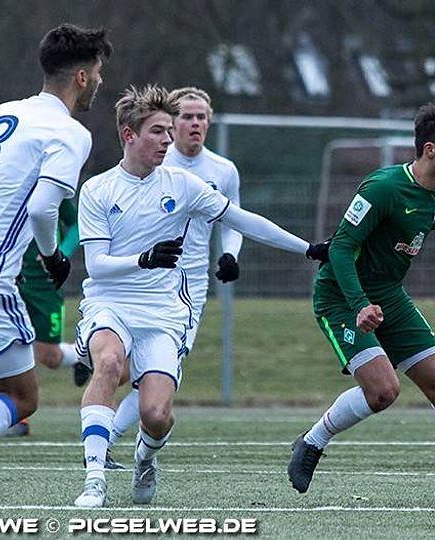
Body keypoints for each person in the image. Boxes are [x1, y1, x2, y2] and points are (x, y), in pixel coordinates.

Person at [72, 85, 327, 508]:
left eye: (168, 131)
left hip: (163, 311)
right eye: (158, 131)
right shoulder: (98, 189)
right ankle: (94, 479)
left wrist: (308, 248)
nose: (167, 139)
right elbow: (97, 265)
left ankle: (144, 458)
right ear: (129, 135)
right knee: (110, 362)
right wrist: (144, 259)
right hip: (110, 302)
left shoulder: (185, 184)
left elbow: (243, 220)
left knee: (156, 416)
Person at [286, 102, 435, 507]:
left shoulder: (428, 194)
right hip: (342, 297)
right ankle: (312, 441)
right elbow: (340, 248)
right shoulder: (383, 187)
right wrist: (360, 304)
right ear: (430, 150)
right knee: (382, 391)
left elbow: (421, 218)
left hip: (389, 295)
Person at [0, 24, 112, 448]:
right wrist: (53, 256)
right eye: (98, 72)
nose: (100, 81)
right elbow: (41, 208)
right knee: (21, 398)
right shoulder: (69, 132)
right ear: (82, 77)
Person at [104, 86, 246, 466]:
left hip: (187, 287)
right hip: (141, 277)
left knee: (158, 372)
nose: (195, 123)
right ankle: (103, 428)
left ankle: (106, 439)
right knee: (120, 365)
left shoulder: (223, 170)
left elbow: (234, 221)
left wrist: (229, 254)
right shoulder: (154, 162)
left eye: (202, 117)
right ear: (171, 122)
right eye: (187, 116)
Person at [0, 198, 89, 437]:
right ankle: (15, 418)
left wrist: (58, 254)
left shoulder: (47, 185)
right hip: (2, 280)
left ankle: (82, 354)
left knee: (50, 356)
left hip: (44, 285)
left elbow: (77, 224)